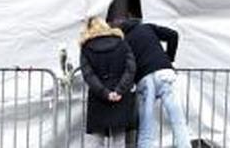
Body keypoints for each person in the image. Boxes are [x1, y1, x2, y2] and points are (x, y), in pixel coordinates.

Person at [118, 18, 191, 148]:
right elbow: (173, 35)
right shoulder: (147, 27)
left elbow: (127, 66)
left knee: (146, 125)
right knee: (178, 119)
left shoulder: (124, 42)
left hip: (144, 79)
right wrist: (169, 58)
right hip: (164, 73)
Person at [79, 16, 137, 148]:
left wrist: (105, 93)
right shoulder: (122, 43)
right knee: (119, 140)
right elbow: (131, 68)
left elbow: (89, 75)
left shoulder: (86, 48)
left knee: (96, 140)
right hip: (120, 98)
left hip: (98, 98)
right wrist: (119, 90)